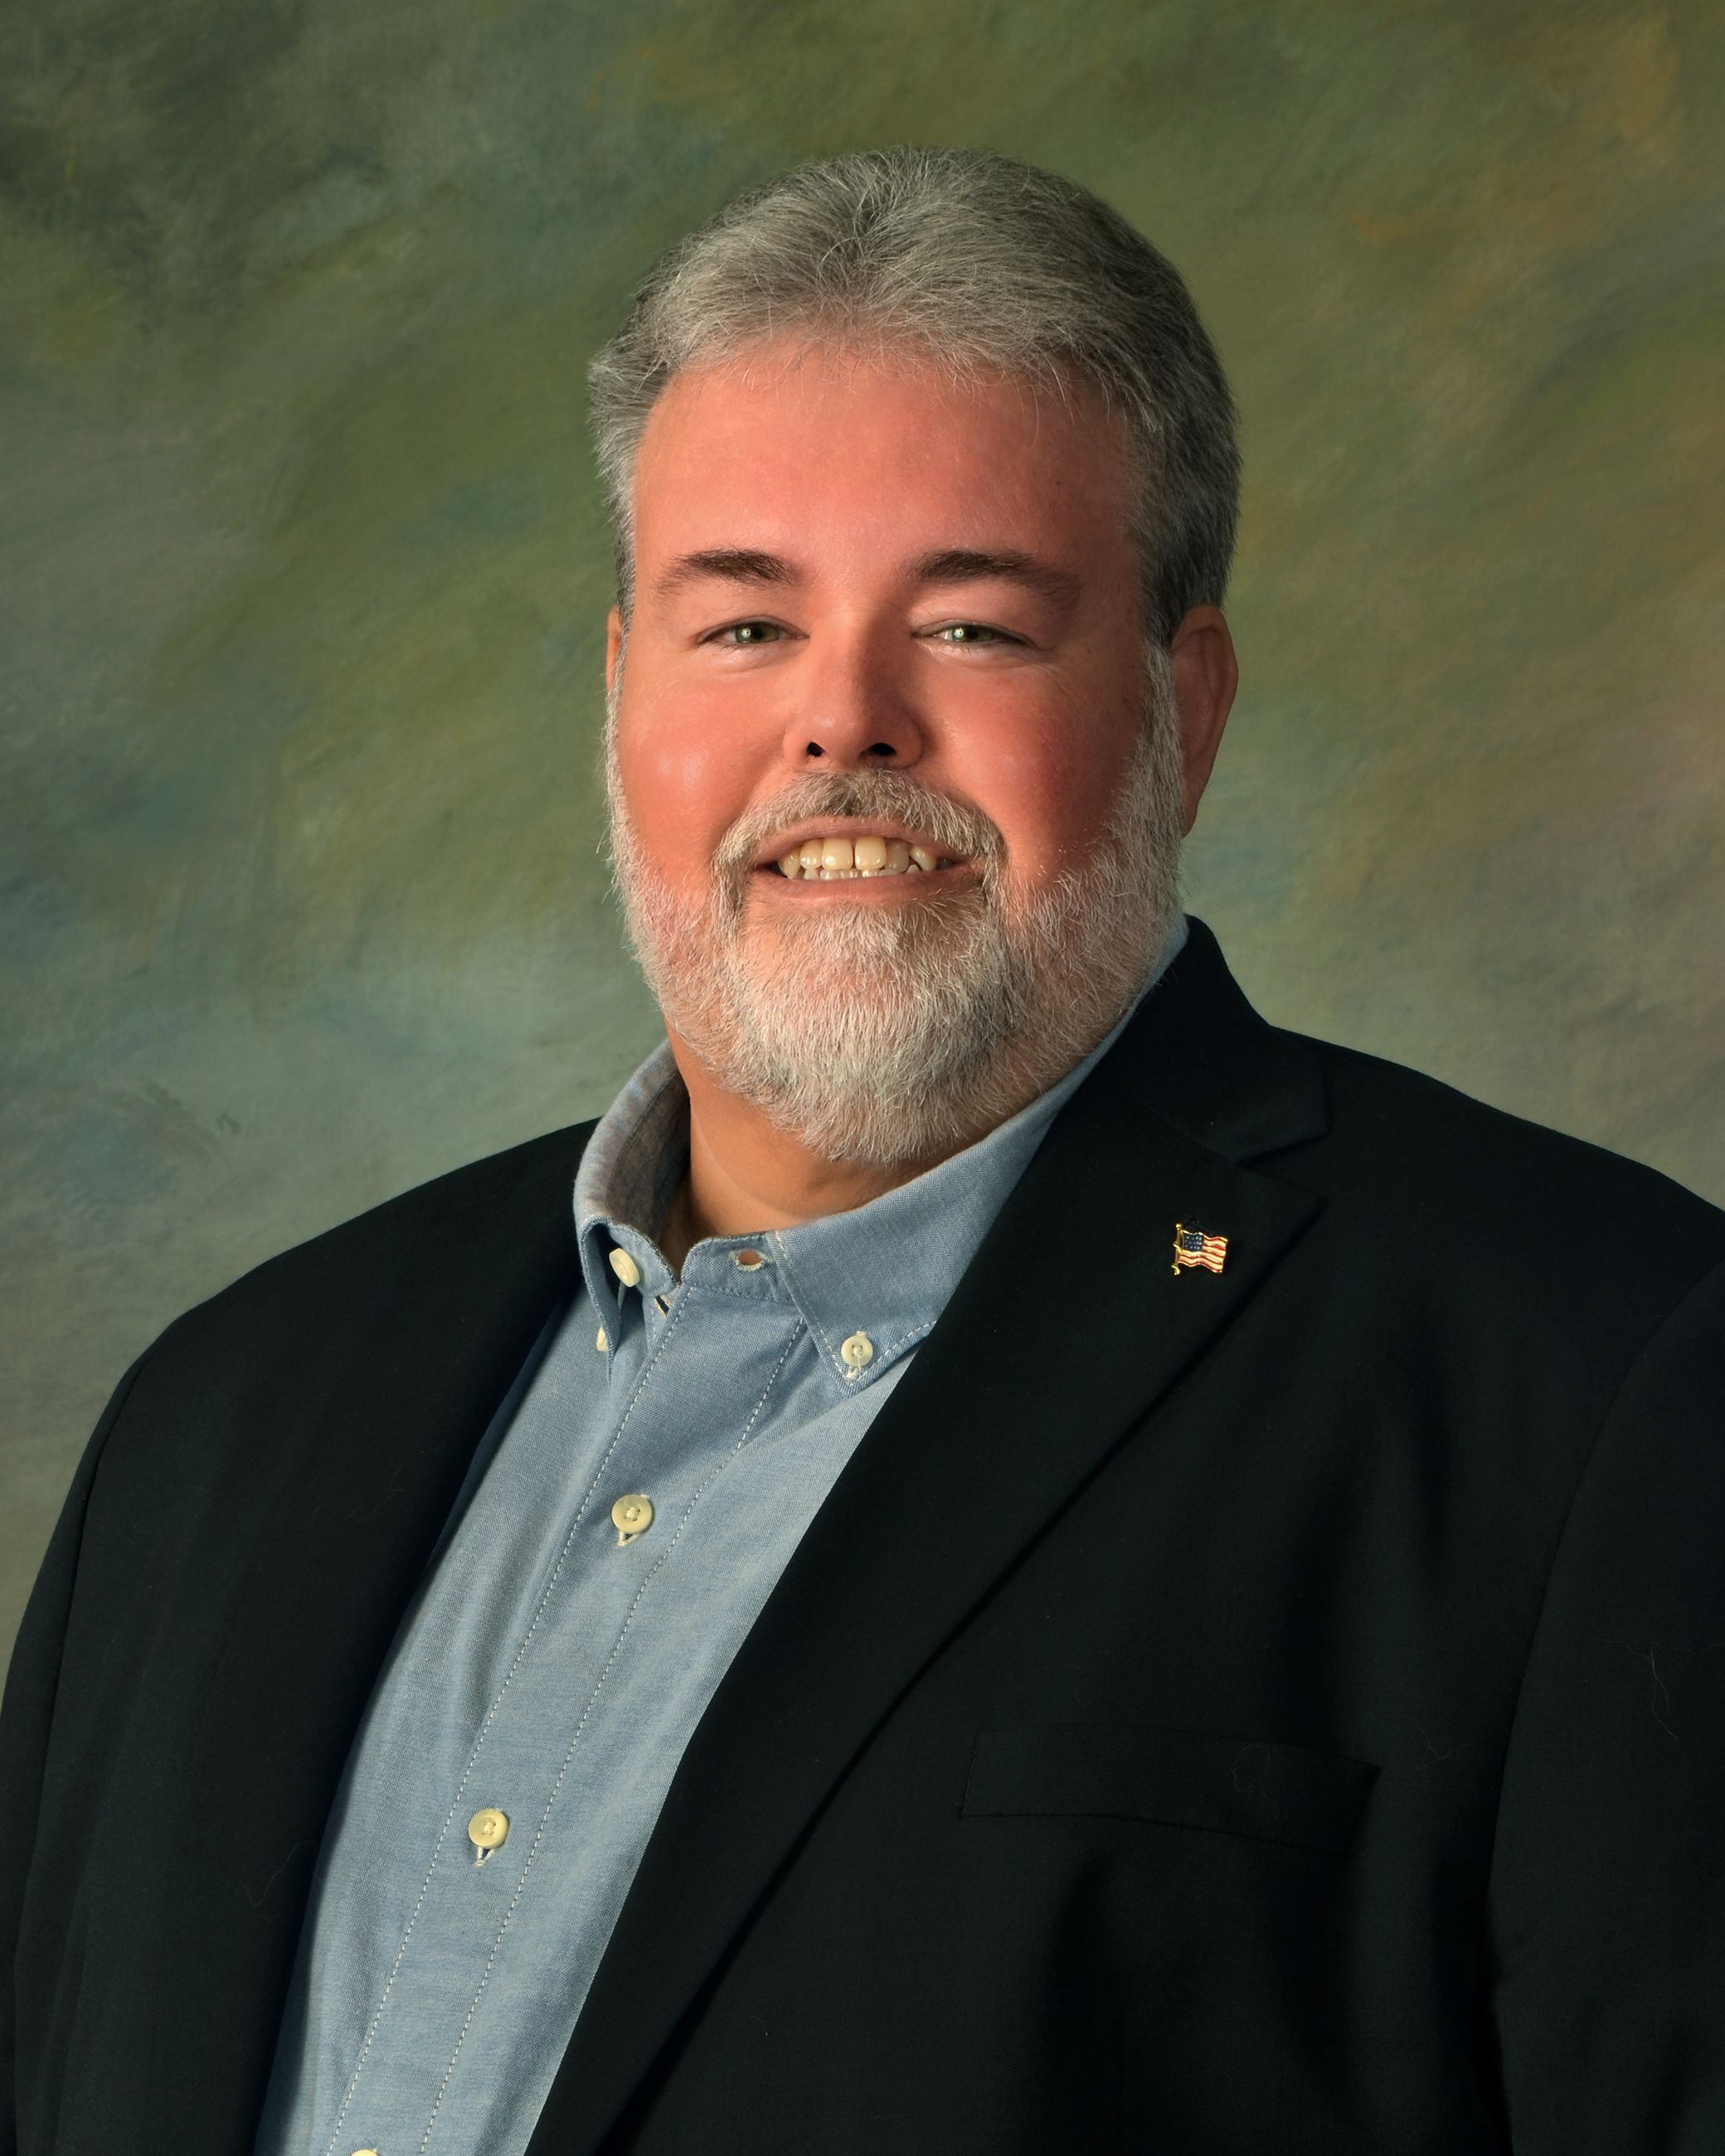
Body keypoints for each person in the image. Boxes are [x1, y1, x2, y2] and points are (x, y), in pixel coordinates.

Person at [3, 144, 1723, 2156]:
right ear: (621, 689)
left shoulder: (1599, 1374)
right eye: (742, 628)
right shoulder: (221, 1415)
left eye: (974, 627)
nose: (845, 727)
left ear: (1185, 703)